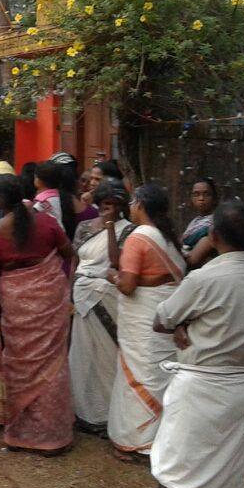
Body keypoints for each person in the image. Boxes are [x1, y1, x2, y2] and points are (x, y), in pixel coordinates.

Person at [151, 202, 244, 488]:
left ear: (212, 235)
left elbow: (161, 319)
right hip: (243, 391)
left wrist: (181, 325)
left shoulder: (204, 278)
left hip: (200, 387)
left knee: (174, 486)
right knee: (230, 486)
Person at [0, 174, 76, 452]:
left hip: (14, 303)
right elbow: (69, 253)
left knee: (17, 361)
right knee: (53, 363)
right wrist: (64, 285)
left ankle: (20, 431)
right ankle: (53, 435)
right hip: (50, 301)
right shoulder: (47, 223)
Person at [107, 183, 186, 459]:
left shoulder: (139, 238)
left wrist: (112, 277)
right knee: (160, 375)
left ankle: (137, 439)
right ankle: (161, 436)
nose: (129, 207)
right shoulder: (167, 237)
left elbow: (128, 285)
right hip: (162, 318)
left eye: (132, 202)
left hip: (144, 321)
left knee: (140, 375)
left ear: (140, 205)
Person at [70, 179, 134, 434]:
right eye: (106, 204)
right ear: (98, 203)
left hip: (106, 295)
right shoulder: (84, 227)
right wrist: (69, 290)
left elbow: (117, 263)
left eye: (115, 205)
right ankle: (83, 411)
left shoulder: (128, 230)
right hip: (82, 294)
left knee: (108, 356)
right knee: (83, 354)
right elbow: (75, 259)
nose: (111, 209)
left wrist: (109, 228)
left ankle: (107, 414)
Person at [182, 177, 220, 268]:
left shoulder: (216, 223)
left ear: (214, 198)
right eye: (196, 194)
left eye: (206, 194)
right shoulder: (195, 222)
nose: (201, 198)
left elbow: (192, 260)